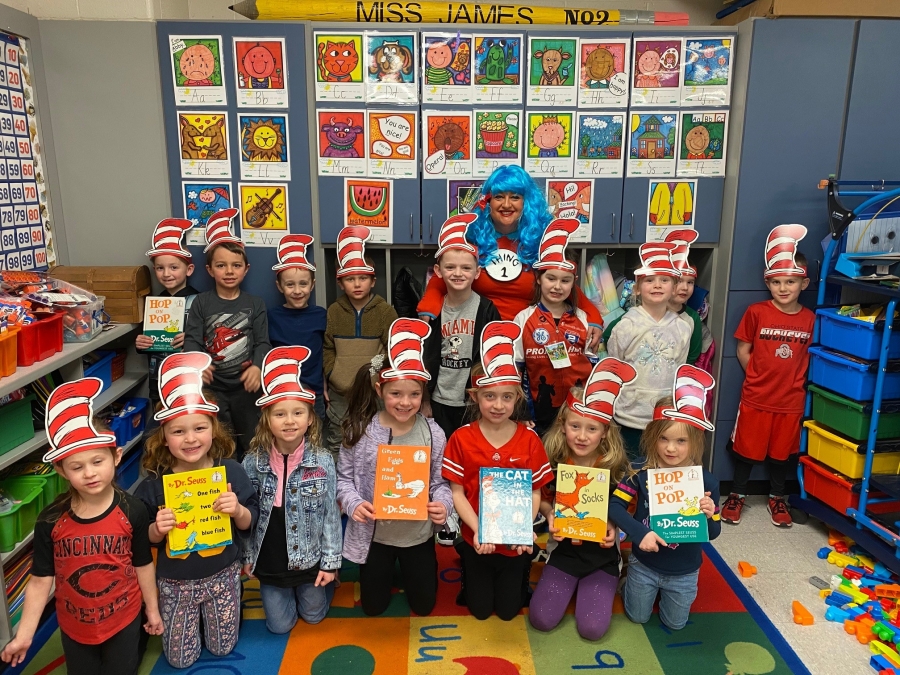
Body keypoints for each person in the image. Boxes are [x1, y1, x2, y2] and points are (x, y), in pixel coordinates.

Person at [1, 379, 163, 674]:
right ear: (61, 470)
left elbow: (143, 564)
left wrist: (151, 610)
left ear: (116, 456)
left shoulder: (134, 510)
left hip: (124, 620)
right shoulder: (49, 521)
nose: (89, 473)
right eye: (77, 467)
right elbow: (39, 581)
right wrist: (23, 635)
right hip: (74, 627)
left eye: (97, 461)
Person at [136, 352, 259, 669]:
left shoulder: (230, 471)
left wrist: (237, 511)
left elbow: (250, 522)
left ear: (213, 430)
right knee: (178, 659)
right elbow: (142, 538)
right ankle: (193, 617)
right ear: (163, 438)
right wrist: (156, 528)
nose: (190, 439)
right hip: (175, 584)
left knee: (222, 648)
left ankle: (218, 612)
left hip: (223, 575)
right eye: (178, 432)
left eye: (199, 428)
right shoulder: (154, 485)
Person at [336, 319, 453, 616]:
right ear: (379, 390)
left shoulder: (433, 433)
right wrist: (354, 504)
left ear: (423, 392)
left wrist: (442, 504)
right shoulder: (360, 431)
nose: (405, 402)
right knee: (373, 608)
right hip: (375, 536)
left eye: (414, 394)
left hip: (417, 535)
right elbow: (344, 480)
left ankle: (412, 571)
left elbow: (441, 483)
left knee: (424, 606)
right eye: (396, 394)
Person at [416, 165, 602, 347]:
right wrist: (430, 300)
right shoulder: (471, 237)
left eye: (515, 197)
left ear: (526, 201)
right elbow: (447, 274)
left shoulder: (543, 240)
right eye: (498, 197)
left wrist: (592, 314)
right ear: (488, 201)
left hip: (530, 337)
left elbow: (562, 281)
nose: (506, 204)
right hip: (477, 335)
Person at [442, 321, 553, 621]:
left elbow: (534, 491)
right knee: (478, 611)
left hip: (514, 540)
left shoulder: (530, 439)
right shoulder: (461, 438)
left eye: (507, 396)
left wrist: (521, 530)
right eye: (489, 396)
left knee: (507, 612)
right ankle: (464, 554)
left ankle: (520, 571)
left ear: (517, 398)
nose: (498, 405)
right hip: (477, 535)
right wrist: (479, 529)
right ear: (474, 396)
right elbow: (456, 492)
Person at [529, 359, 636, 640]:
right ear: (563, 425)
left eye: (592, 429)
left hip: (602, 555)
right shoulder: (552, 459)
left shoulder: (617, 468)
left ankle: (618, 580)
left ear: (605, 433)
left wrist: (617, 528)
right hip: (563, 550)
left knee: (591, 629)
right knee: (540, 619)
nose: (582, 436)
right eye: (575, 426)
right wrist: (549, 513)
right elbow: (541, 495)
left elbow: (629, 510)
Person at [609, 365, 721, 631]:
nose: (671, 448)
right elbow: (614, 507)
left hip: (684, 570)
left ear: (695, 441)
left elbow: (713, 533)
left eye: (681, 441)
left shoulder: (706, 482)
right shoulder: (640, 471)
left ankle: (659, 593)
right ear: (652, 437)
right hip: (644, 563)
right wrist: (639, 534)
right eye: (664, 439)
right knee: (637, 617)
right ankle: (628, 582)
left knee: (676, 623)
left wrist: (710, 513)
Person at [242, 347, 341, 634]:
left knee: (313, 616)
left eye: (298, 413)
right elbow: (247, 519)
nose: (289, 421)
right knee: (279, 626)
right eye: (280, 414)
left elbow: (330, 517)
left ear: (310, 418)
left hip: (309, 557)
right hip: (271, 559)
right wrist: (248, 558)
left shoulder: (322, 461)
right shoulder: (251, 462)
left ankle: (326, 584)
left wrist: (330, 564)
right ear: (267, 420)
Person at [721, 225, 815, 528]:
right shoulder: (756, 312)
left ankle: (777, 498)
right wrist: (759, 377)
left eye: (790, 281)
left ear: (804, 283)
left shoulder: (811, 319)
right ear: (768, 283)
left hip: (791, 402)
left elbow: (809, 359)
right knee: (746, 451)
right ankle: (736, 494)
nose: (783, 288)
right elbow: (743, 349)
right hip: (756, 397)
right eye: (776, 282)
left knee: (781, 454)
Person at [183, 208, 271, 459]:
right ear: (210, 269)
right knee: (220, 444)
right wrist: (197, 364)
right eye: (221, 265)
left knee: (253, 443)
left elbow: (263, 341)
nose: (229, 271)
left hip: (247, 387)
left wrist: (257, 366)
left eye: (236, 265)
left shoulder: (255, 304)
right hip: (214, 388)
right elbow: (192, 340)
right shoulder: (201, 303)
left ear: (246, 269)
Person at [604, 243, 692, 459]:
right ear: (637, 288)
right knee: (629, 471)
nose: (657, 285)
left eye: (664, 280)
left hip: (663, 417)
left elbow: (679, 370)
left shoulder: (683, 327)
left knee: (656, 469)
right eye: (649, 280)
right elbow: (616, 367)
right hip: (629, 415)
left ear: (673, 287)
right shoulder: (625, 326)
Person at [513, 219, 594, 435]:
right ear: (539, 278)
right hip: (537, 414)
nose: (557, 286)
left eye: (565, 281)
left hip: (578, 415)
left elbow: (593, 368)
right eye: (551, 278)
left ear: (573, 282)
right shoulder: (523, 319)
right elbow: (517, 371)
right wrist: (521, 410)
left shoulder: (584, 319)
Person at [423, 214, 500, 438]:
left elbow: (494, 357)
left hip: (473, 400)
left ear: (477, 273)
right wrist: (425, 398)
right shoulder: (433, 313)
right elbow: (424, 358)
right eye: (450, 267)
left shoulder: (486, 309)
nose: (458, 273)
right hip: (439, 400)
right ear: (438, 271)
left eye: (466, 268)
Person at [323, 226, 398, 457]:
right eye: (350, 279)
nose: (357, 284)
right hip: (341, 395)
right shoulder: (334, 312)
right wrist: (334, 373)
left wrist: (372, 370)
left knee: (376, 441)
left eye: (363, 278)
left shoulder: (385, 312)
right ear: (340, 283)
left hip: (373, 392)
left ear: (373, 281)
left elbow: (392, 349)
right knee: (339, 441)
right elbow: (327, 348)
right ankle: (339, 492)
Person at [136, 218, 200, 416]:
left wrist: (192, 340)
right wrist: (141, 343)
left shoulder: (200, 301)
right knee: (162, 427)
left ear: (188, 270)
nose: (166, 274)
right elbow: (146, 341)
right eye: (160, 268)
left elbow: (209, 340)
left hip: (191, 381)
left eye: (174, 267)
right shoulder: (153, 303)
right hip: (159, 380)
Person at [267, 235, 328, 422]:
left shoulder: (321, 315)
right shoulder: (271, 316)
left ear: (312, 284)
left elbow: (326, 352)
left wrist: (326, 385)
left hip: (314, 392)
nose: (297, 291)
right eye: (290, 285)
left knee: (316, 442)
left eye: (303, 284)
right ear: (279, 286)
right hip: (282, 391)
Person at [665, 229, 703, 365]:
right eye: (679, 281)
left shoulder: (692, 318)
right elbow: (610, 335)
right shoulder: (647, 312)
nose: (685, 288)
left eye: (690, 282)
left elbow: (693, 354)